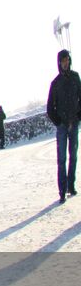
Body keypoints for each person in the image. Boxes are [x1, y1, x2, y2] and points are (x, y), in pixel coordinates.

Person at [46, 50, 81, 204]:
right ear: (59, 63)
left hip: (74, 124)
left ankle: (71, 186)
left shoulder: (75, 78)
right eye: (62, 61)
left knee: (73, 157)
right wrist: (58, 122)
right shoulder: (55, 83)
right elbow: (49, 108)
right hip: (62, 127)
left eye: (67, 60)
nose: (65, 63)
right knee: (62, 159)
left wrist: (79, 117)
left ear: (69, 60)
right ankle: (62, 190)